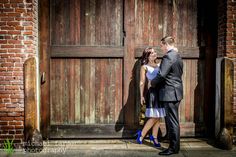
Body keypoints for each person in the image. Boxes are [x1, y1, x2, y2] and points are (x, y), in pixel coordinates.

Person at [151, 36, 183, 155]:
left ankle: (173, 148)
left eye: (161, 45)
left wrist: (152, 83)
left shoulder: (169, 56)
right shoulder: (177, 55)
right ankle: (170, 138)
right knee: (171, 120)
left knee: (172, 121)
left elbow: (162, 74)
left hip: (170, 92)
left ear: (166, 44)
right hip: (176, 91)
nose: (161, 48)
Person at [136, 47, 166, 147]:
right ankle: (142, 134)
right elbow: (142, 82)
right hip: (152, 93)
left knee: (159, 116)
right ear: (147, 56)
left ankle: (154, 137)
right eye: (151, 53)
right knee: (155, 116)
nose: (154, 54)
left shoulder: (160, 64)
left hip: (161, 92)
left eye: (155, 52)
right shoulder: (144, 67)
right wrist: (141, 96)